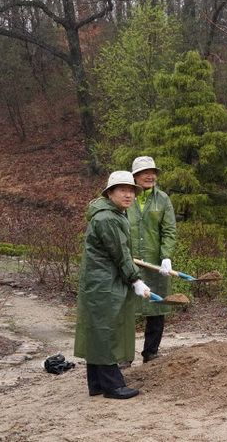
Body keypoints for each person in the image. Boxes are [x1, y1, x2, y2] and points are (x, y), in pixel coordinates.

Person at [74, 171, 151, 399]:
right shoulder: (107, 218)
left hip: (101, 280)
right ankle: (112, 386)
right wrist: (135, 279)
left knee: (99, 330)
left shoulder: (114, 214)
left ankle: (97, 384)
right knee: (106, 330)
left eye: (131, 191)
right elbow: (119, 254)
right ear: (110, 193)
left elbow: (119, 250)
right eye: (122, 190)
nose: (128, 195)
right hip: (104, 282)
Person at [128, 156, 177, 365]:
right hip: (127, 262)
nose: (150, 175)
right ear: (134, 176)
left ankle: (151, 352)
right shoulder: (125, 197)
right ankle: (123, 356)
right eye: (145, 172)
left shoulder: (162, 199)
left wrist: (166, 256)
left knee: (156, 307)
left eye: (153, 172)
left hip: (155, 262)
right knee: (125, 308)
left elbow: (169, 230)